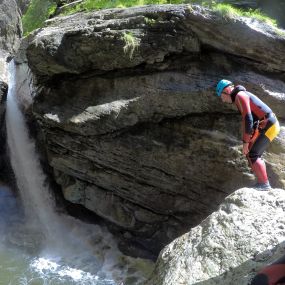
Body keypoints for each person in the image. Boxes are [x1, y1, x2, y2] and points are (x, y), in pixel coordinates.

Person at [216, 79, 280, 191]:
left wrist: (245, 142)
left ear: (226, 90)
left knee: (253, 154)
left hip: (269, 124)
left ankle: (264, 184)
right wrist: (247, 141)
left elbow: (248, 119)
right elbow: (250, 120)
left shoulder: (240, 96)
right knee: (252, 152)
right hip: (267, 124)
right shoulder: (240, 96)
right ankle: (263, 182)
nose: (223, 100)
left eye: (222, 97)